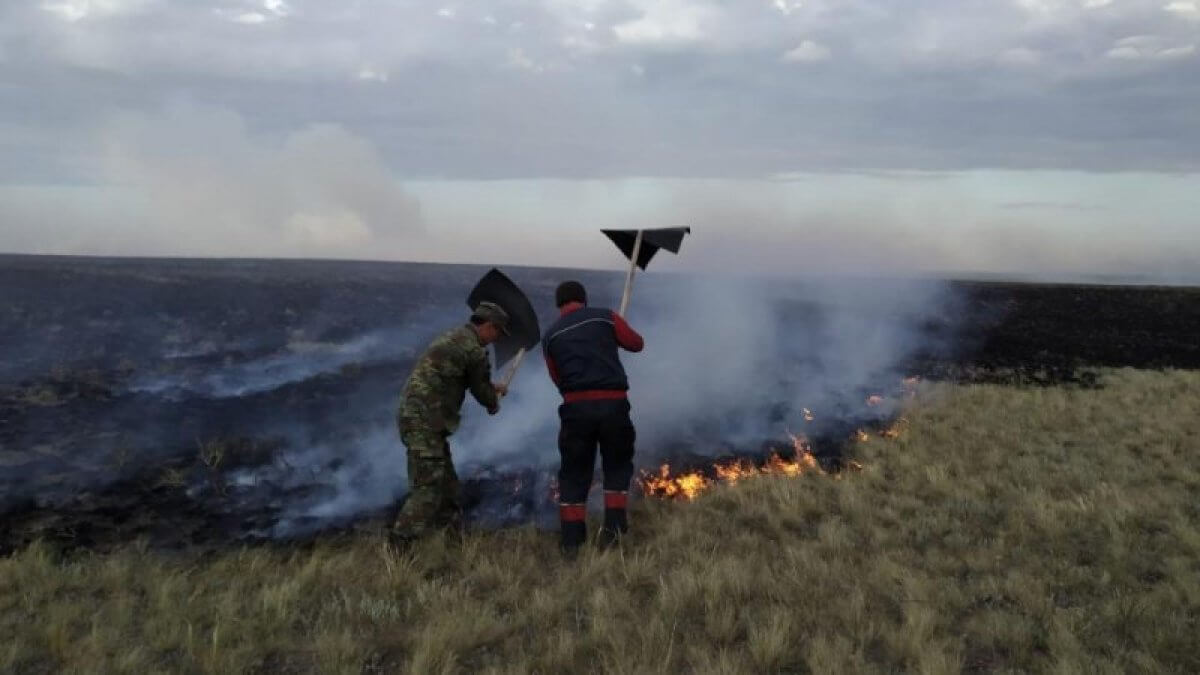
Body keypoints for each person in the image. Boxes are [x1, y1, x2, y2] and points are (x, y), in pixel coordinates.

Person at [392, 301, 510, 544]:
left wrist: (490, 388)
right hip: (425, 421)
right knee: (428, 489)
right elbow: (482, 392)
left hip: (419, 417)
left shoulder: (454, 337)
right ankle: (398, 548)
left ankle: (454, 543)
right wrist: (493, 402)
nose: (496, 339)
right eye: (497, 332)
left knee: (447, 487)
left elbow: (464, 376)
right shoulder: (474, 350)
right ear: (488, 326)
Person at [542, 280, 644, 555]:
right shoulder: (606, 317)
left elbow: (557, 377)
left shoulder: (550, 336)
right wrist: (616, 331)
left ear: (558, 304)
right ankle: (614, 532)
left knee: (574, 473)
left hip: (575, 410)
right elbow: (636, 344)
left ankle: (573, 544)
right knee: (617, 465)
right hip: (613, 406)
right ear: (584, 298)